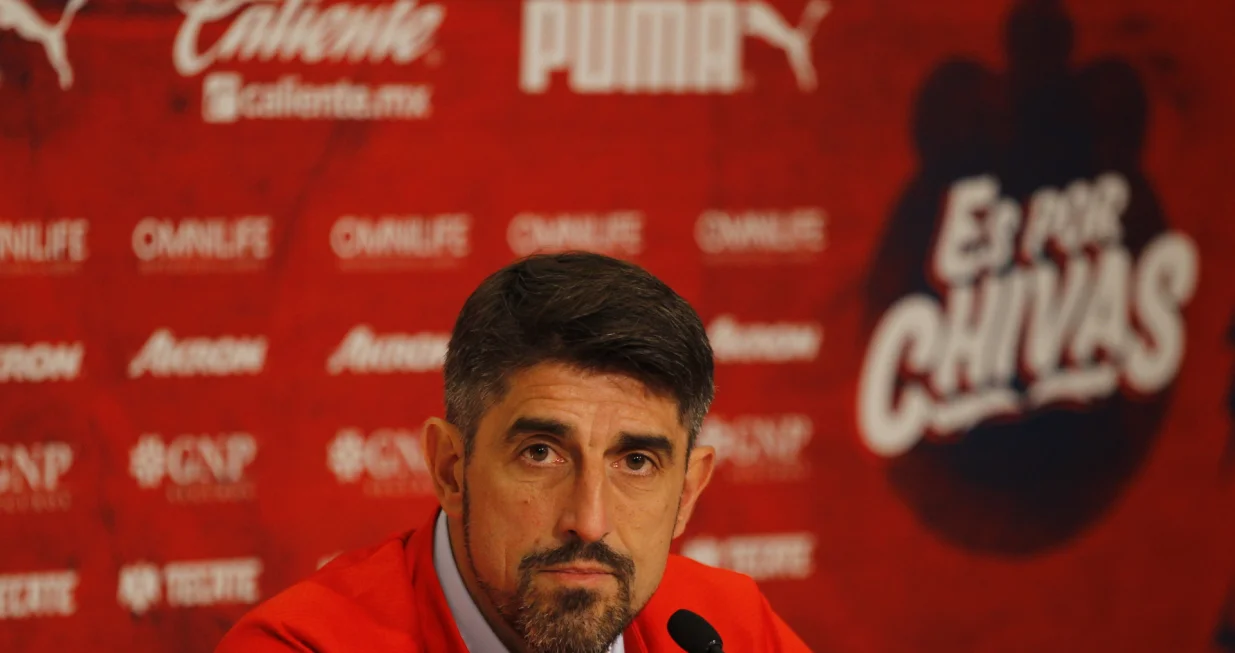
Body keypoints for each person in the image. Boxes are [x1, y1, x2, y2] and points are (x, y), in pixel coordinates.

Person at [215, 252, 811, 652]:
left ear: (686, 493)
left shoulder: (726, 630)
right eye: (541, 454)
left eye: (636, 463)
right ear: (451, 468)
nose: (589, 521)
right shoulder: (304, 646)